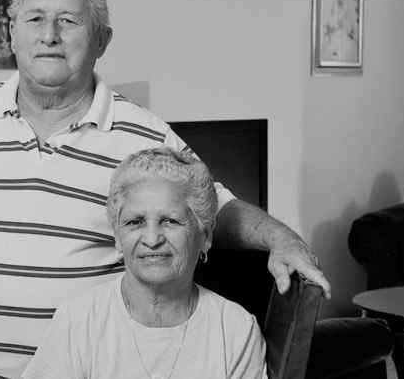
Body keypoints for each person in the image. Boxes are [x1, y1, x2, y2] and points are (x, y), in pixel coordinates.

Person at [0, 0, 329, 379]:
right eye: (35, 19)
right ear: (12, 32)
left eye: (69, 21)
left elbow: (208, 205)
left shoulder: (141, 133)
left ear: (102, 40)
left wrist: (281, 237)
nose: (49, 36)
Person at [23, 147, 267, 378]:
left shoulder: (236, 329)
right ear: (118, 237)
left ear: (205, 236)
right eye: (135, 222)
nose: (152, 239)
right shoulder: (78, 321)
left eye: (170, 221)